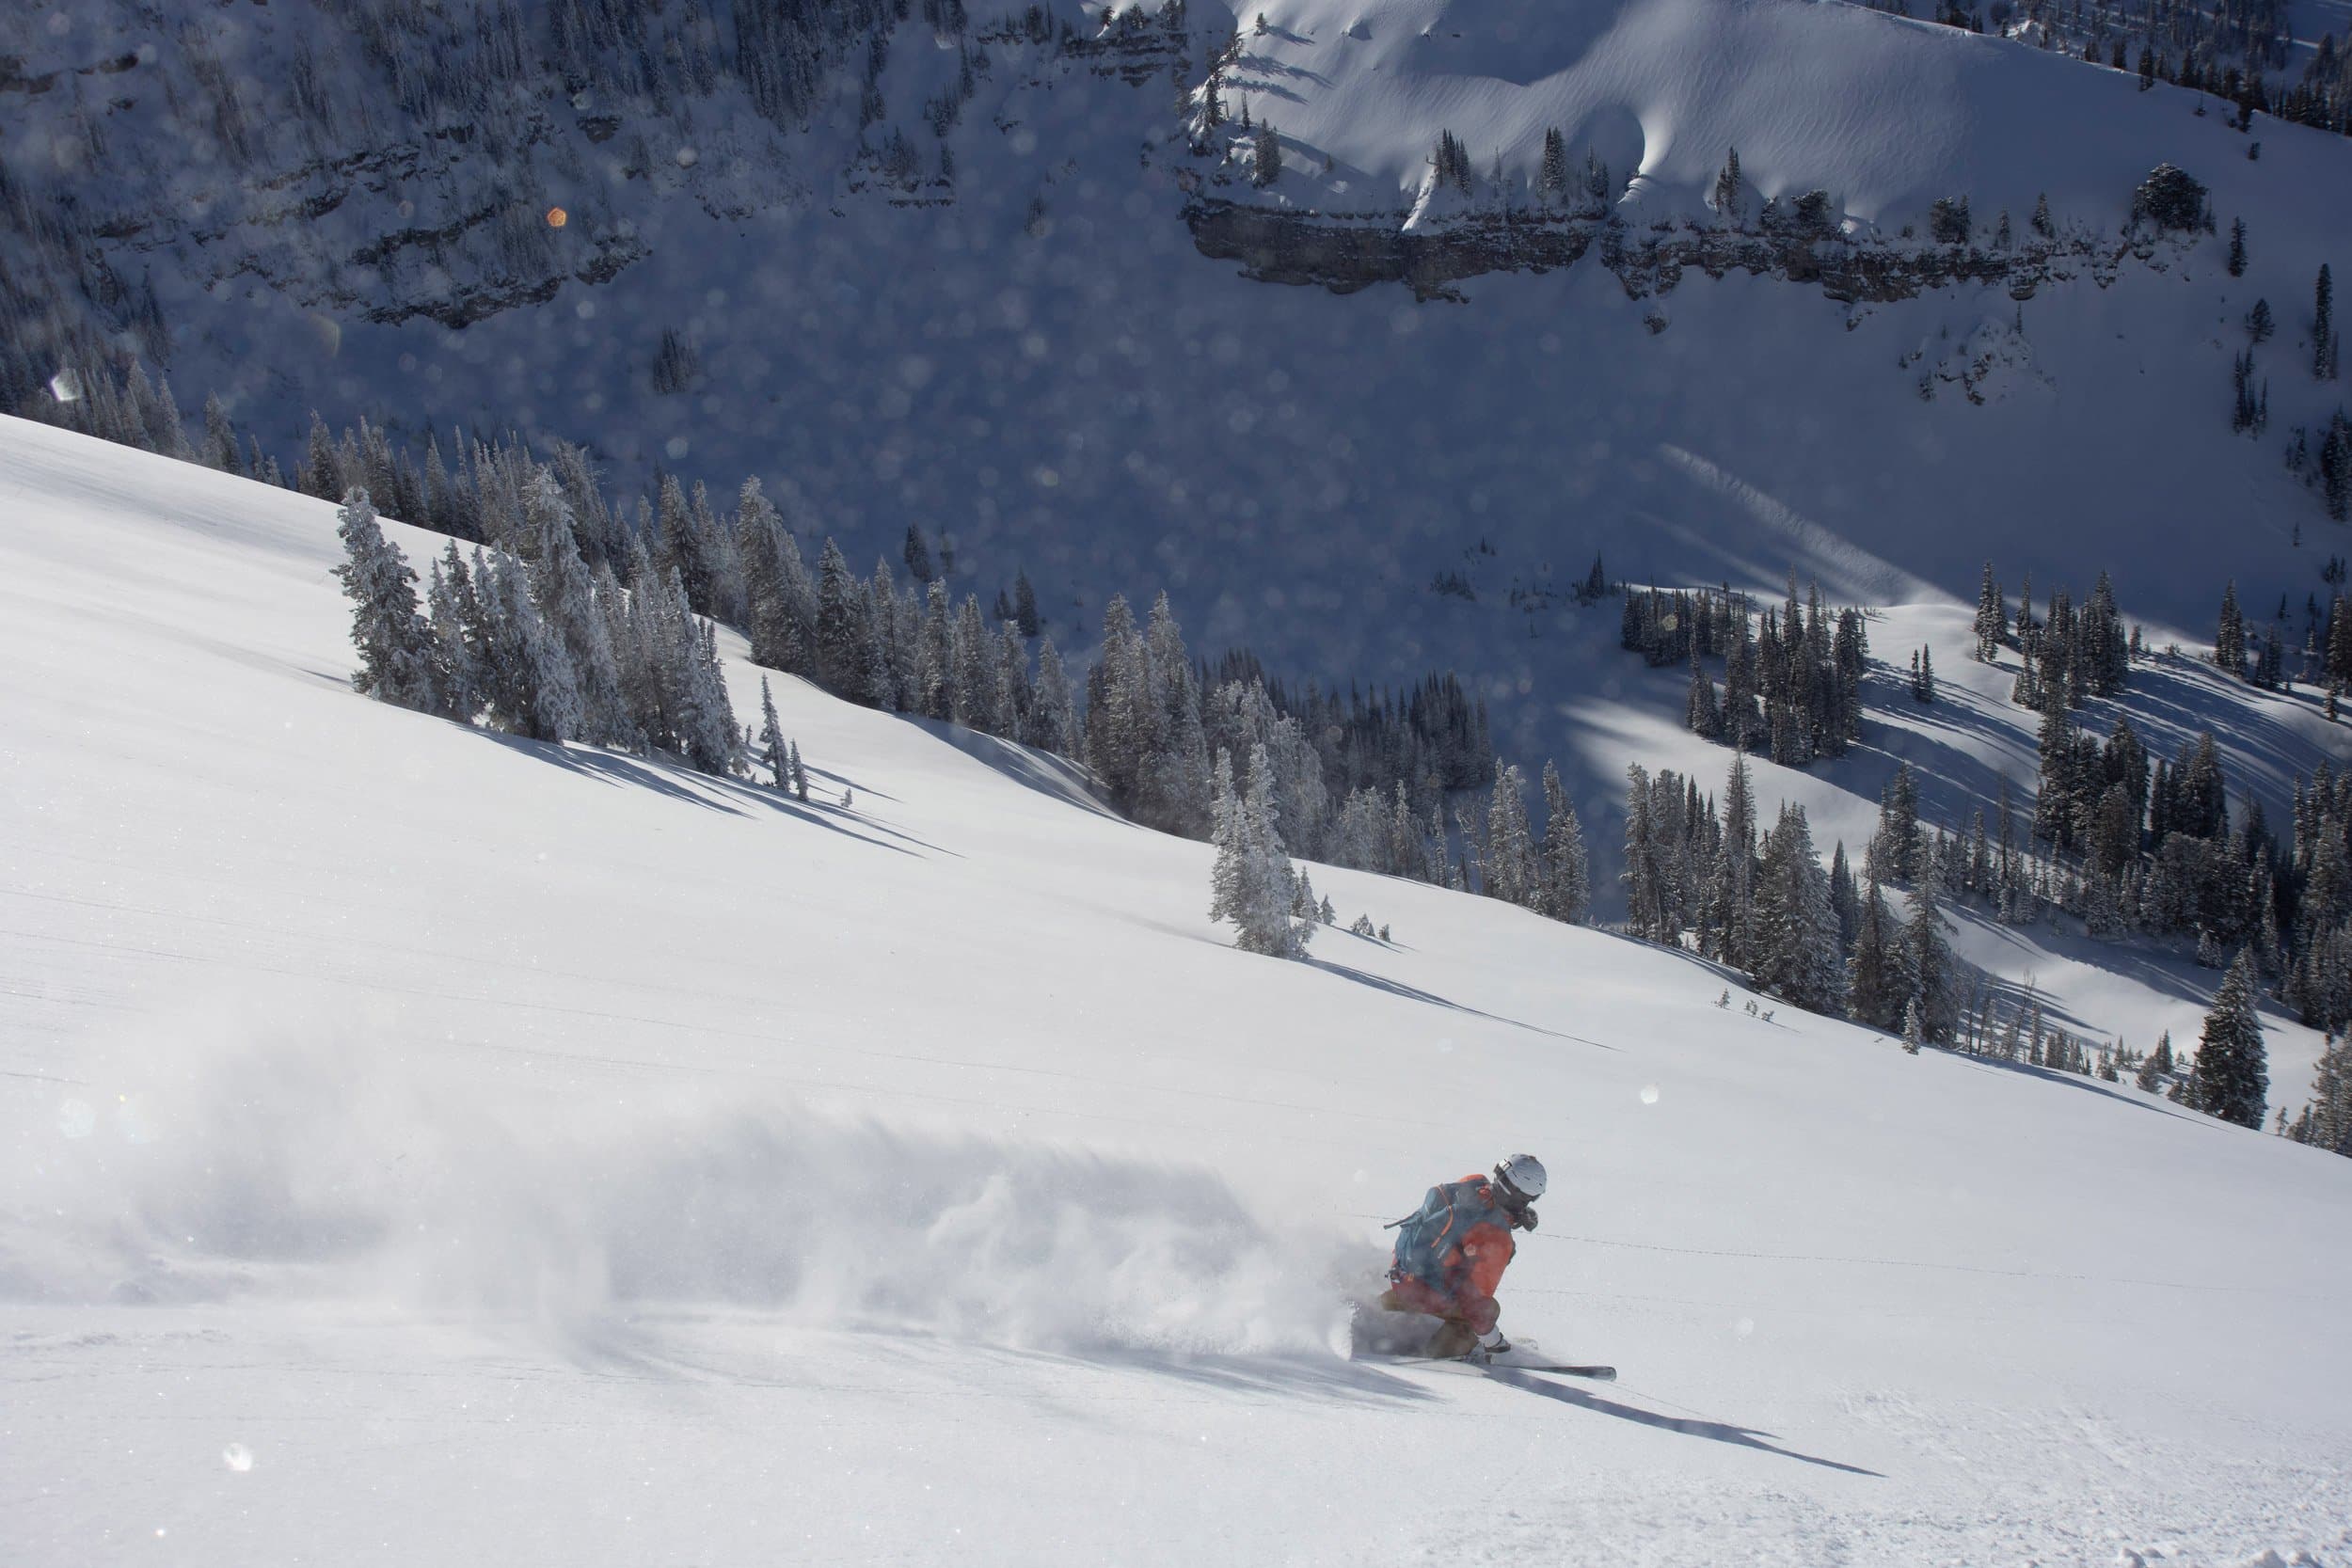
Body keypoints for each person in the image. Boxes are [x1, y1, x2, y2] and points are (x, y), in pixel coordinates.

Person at [1379, 1152, 1545, 1360]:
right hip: (1428, 1294)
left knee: (1424, 1290)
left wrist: (1513, 1216)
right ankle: (1439, 1356)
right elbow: (1476, 1303)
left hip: (1403, 1273)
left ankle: (1379, 1311)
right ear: (1521, 1196)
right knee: (1487, 1311)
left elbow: (1466, 1222)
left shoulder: (1473, 1183)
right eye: (1530, 1199)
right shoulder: (1499, 1239)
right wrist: (1494, 1342)